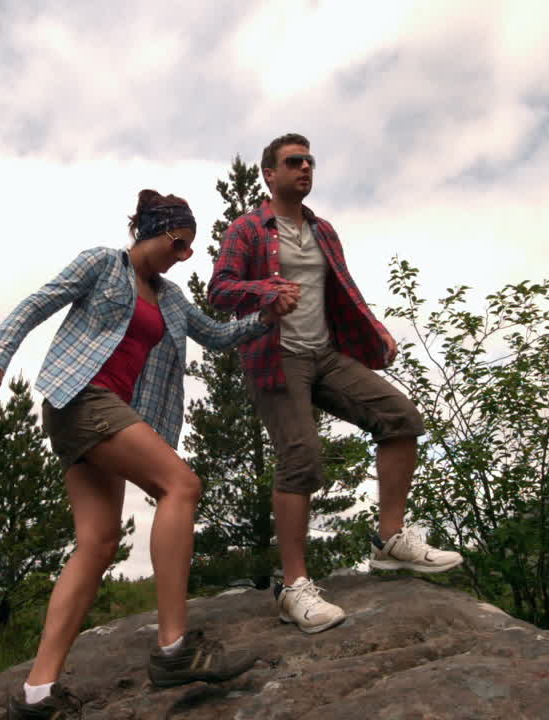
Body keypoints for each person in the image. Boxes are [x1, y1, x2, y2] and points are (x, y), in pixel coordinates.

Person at [0, 190, 290, 719]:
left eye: (189, 248)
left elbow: (217, 336)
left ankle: (36, 694)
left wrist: (266, 313)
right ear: (157, 233)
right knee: (181, 485)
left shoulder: (172, 298)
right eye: (181, 243)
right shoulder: (102, 264)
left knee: (97, 542)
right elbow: (34, 305)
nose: (185, 255)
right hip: (81, 399)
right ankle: (173, 650)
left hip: (109, 414)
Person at [208, 133, 463, 636]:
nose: (305, 168)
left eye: (310, 162)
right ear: (269, 174)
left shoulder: (323, 230)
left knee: (400, 417)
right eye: (293, 162)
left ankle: (388, 540)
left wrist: (377, 329)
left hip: (324, 354)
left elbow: (346, 288)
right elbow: (220, 288)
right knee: (301, 459)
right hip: (276, 355)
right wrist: (267, 291)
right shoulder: (248, 228)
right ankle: (294, 587)